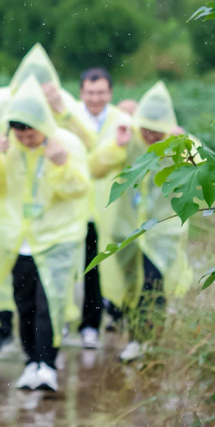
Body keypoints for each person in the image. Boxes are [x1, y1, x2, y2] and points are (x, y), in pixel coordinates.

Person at [0, 44, 94, 354]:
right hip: (12, 224)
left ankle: (48, 352)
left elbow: (89, 151)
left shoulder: (64, 116)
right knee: (11, 287)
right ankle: (4, 334)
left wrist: (62, 114)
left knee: (52, 294)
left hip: (56, 222)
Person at [89, 81, 191, 362]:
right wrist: (116, 146)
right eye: (146, 129)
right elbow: (95, 168)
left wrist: (183, 148)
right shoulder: (126, 139)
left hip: (163, 229)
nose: (150, 136)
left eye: (157, 131)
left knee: (153, 283)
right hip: (127, 230)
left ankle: (150, 341)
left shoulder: (179, 143)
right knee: (132, 288)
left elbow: (202, 170)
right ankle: (135, 338)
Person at [69, 67, 129, 351]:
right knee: (71, 267)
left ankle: (93, 324)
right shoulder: (69, 119)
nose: (96, 98)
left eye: (101, 92)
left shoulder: (122, 122)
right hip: (74, 206)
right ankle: (66, 322)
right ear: (81, 93)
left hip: (108, 207)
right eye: (90, 93)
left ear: (110, 93)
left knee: (98, 266)